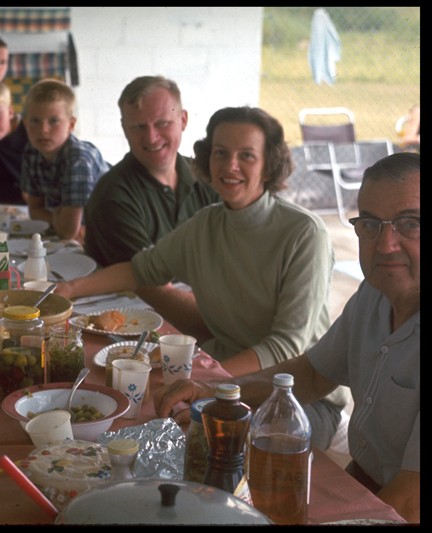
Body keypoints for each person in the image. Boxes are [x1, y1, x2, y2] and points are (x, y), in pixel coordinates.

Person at [57, 106, 351, 452]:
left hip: (298, 398)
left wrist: (208, 385)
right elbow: (140, 270)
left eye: (247, 155)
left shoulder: (304, 233)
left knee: (216, 448)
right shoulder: (205, 225)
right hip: (220, 376)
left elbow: (285, 345)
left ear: (269, 165)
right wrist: (67, 290)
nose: (230, 166)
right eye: (220, 153)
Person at [154, 152, 420, 523]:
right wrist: (216, 393)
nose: (386, 244)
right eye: (371, 224)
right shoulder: (374, 295)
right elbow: (312, 374)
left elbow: (410, 501)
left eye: (411, 224)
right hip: (364, 483)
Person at [83, 76, 220, 332]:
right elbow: (154, 291)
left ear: (183, 120)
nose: (152, 137)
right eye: (138, 127)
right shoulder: (114, 196)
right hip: (148, 327)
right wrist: (233, 324)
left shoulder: (209, 178)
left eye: (162, 123)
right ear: (124, 129)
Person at [20, 79, 110, 242]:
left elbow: (68, 231)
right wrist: (59, 218)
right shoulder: (32, 152)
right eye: (35, 121)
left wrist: (57, 219)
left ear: (71, 125)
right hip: (79, 233)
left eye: (53, 121)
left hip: (109, 231)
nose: (43, 130)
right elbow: (34, 211)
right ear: (25, 123)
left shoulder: (78, 159)